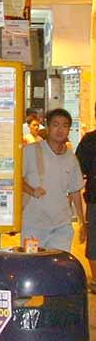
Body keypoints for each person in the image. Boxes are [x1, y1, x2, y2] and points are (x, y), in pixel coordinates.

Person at [22, 108, 86, 253]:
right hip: (33, 225)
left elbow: (75, 190)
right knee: (33, 264)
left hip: (61, 225)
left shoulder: (71, 158)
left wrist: (82, 222)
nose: (60, 129)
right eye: (56, 124)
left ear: (69, 130)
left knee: (58, 268)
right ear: (48, 127)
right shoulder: (30, 151)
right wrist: (31, 191)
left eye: (64, 125)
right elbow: (15, 179)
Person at [75, 105, 96, 291]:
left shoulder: (89, 140)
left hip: (94, 196)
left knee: (94, 238)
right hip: (94, 198)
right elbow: (77, 170)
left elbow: (79, 168)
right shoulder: (89, 140)